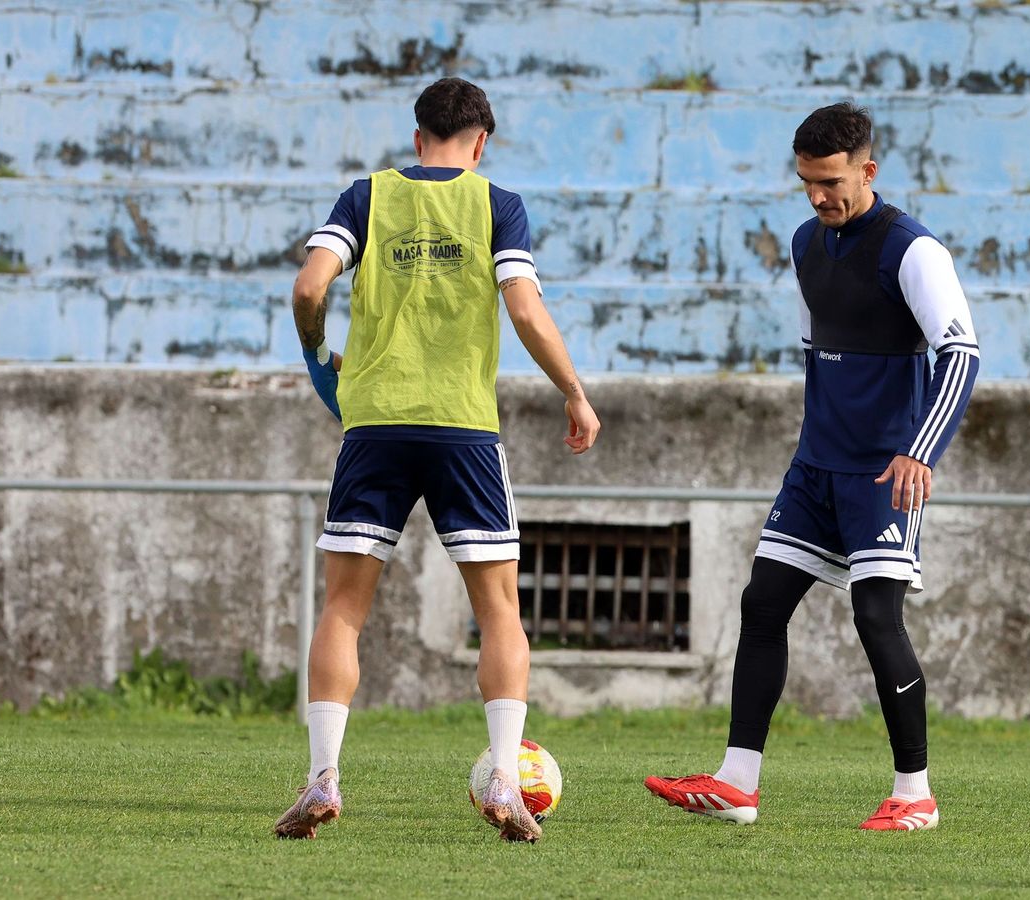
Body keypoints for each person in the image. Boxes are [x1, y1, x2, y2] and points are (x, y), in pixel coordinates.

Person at [275, 77, 600, 844]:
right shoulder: (496, 203)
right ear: (480, 143)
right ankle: (504, 781)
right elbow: (524, 309)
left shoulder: (366, 197)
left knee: (344, 610)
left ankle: (324, 776)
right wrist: (575, 393)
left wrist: (319, 351)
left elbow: (308, 286)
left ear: (417, 137)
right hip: (462, 427)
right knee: (497, 611)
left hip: (375, 422)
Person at [644, 102, 980, 831]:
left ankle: (915, 795)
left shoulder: (914, 250)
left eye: (831, 182)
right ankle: (738, 784)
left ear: (869, 169)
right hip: (816, 468)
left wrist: (919, 451)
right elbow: (814, 354)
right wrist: (813, 449)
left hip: (884, 474)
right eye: (807, 183)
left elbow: (963, 354)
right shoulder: (804, 242)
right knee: (762, 604)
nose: (820, 197)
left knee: (874, 614)